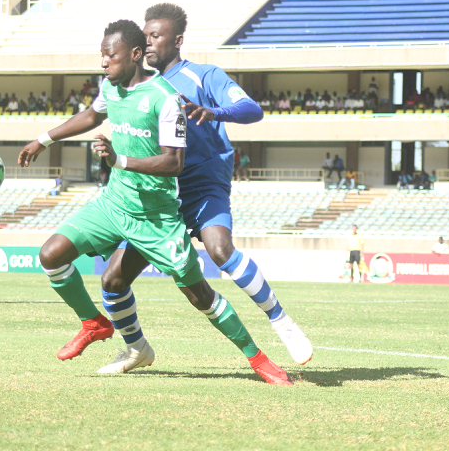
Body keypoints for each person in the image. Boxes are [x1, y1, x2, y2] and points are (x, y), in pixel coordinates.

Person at [18, 19, 294, 386]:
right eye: (102, 55)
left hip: (157, 216)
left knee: (200, 295)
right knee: (51, 254)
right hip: (115, 202)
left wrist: (119, 161)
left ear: (134, 55)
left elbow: (172, 163)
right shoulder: (111, 88)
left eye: (109, 56)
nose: (103, 63)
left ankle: (258, 359)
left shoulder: (165, 99)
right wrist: (43, 140)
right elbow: (90, 115)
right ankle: (94, 323)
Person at [95, 3, 312, 369]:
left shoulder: (204, 76)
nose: (147, 43)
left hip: (202, 184)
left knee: (220, 250)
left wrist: (215, 112)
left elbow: (252, 110)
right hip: (161, 195)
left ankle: (280, 319)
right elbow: (97, 113)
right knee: (113, 279)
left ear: (177, 41)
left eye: (155, 36)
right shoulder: (135, 87)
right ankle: (136, 349)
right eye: (144, 36)